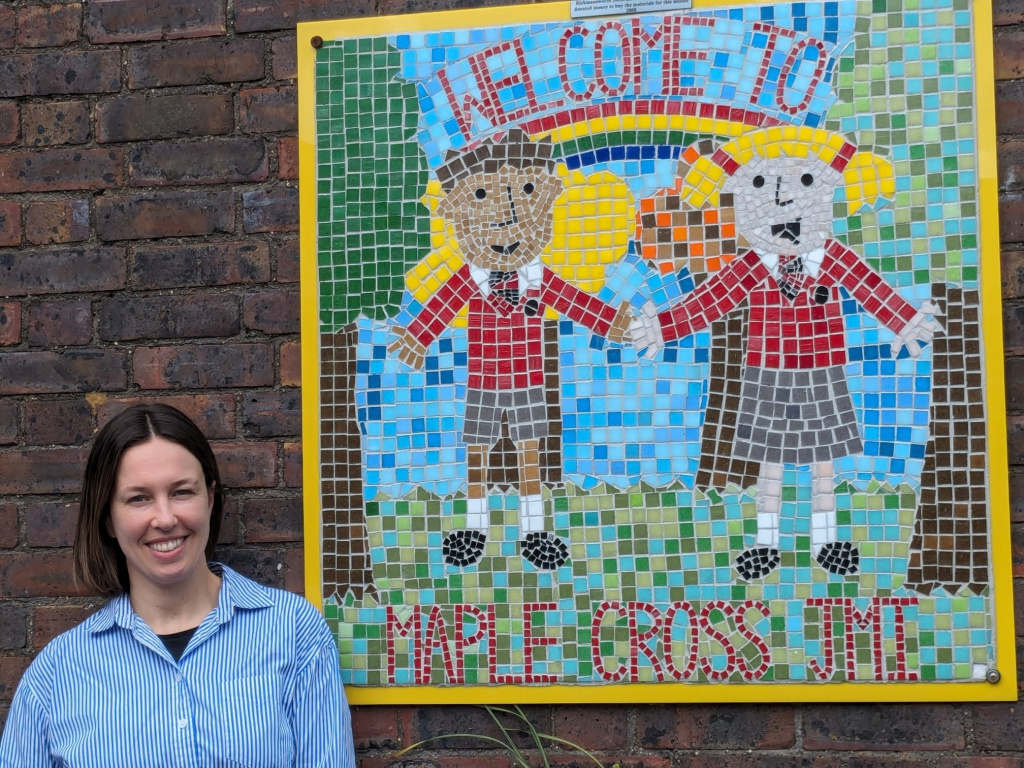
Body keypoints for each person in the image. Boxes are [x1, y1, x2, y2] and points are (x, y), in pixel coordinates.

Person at [629, 126, 943, 581]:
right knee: (770, 459)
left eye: (804, 186)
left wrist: (908, 320)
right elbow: (710, 300)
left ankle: (826, 538)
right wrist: (663, 326)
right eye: (760, 187)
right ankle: (766, 542)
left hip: (823, 367)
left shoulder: (832, 256)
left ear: (826, 194)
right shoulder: (753, 264)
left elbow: (871, 290)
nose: (782, 199)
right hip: (766, 369)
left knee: (824, 458)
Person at [0, 403, 356, 768]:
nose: (166, 518)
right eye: (138, 498)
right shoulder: (56, 675)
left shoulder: (293, 632)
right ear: (107, 518)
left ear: (210, 498)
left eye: (182, 492)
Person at [389, 129, 631, 571]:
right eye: (482, 198)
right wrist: (416, 338)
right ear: (462, 216)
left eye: (523, 200)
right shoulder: (470, 277)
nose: (507, 219)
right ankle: (476, 527)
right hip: (482, 380)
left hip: (528, 379)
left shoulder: (538, 279)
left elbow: (576, 301)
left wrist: (611, 323)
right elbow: (440, 306)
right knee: (477, 452)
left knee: (529, 449)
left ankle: (533, 530)